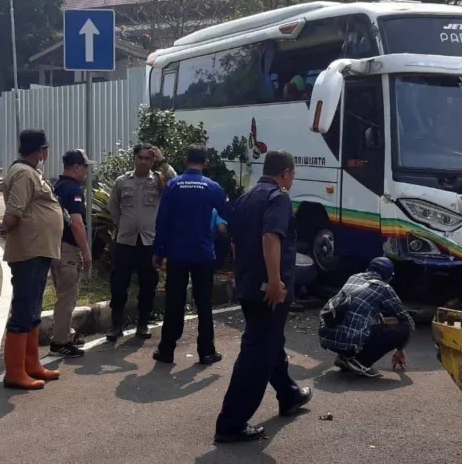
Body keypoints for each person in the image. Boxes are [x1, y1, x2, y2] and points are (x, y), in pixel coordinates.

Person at [214, 150, 312, 444]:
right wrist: (274, 280)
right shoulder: (278, 197)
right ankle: (231, 423)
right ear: (285, 173)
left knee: (270, 343)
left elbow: (234, 240)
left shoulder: (246, 198)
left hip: (248, 285)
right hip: (268, 290)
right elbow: (271, 236)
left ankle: (288, 394)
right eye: (293, 175)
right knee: (256, 354)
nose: (292, 180)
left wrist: (243, 274)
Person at [152, 145, 234, 365]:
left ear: (186, 160)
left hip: (177, 254)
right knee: (204, 304)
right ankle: (206, 352)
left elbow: (162, 221)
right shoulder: (212, 187)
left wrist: (159, 251)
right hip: (203, 254)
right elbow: (229, 214)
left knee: (174, 302)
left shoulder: (173, 185)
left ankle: (167, 351)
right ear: (205, 163)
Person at [0, 129, 63, 390]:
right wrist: (7, 226)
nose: (46, 155)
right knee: (24, 312)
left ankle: (31, 365)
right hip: (29, 252)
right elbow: (13, 211)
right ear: (40, 151)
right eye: (45, 150)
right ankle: (15, 373)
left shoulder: (28, 172)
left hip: (37, 250)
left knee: (33, 311)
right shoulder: (25, 174)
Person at [106, 144, 176, 341]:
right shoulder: (122, 181)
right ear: (134, 158)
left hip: (149, 242)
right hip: (125, 241)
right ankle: (115, 325)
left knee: (148, 285)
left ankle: (143, 323)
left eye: (148, 158)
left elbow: (175, 180)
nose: (143, 161)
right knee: (119, 284)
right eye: (140, 157)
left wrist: (162, 161)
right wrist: (121, 224)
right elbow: (113, 206)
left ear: (152, 161)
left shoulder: (159, 180)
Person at [317, 257, 415, 378]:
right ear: (389, 277)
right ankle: (361, 362)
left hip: (327, 337)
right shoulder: (384, 288)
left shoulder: (354, 277)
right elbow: (406, 319)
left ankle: (345, 357)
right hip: (348, 340)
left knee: (360, 318)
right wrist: (400, 348)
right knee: (404, 328)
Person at [50, 149, 95, 358]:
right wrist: (86, 253)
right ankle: (60, 343)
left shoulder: (57, 186)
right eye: (85, 167)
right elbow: (77, 225)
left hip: (55, 248)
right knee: (67, 299)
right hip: (68, 250)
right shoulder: (73, 190)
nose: (87, 172)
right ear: (76, 167)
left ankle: (65, 334)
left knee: (63, 296)